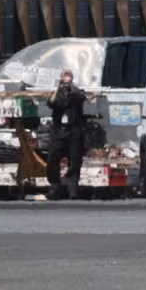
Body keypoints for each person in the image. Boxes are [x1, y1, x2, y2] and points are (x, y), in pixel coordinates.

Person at [44, 69, 91, 200]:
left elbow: (81, 97)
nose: (66, 78)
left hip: (74, 130)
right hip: (59, 130)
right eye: (64, 75)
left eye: (68, 75)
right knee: (53, 159)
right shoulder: (57, 92)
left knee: (75, 161)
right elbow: (51, 103)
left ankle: (72, 190)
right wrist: (58, 88)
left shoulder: (76, 92)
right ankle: (55, 187)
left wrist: (71, 88)